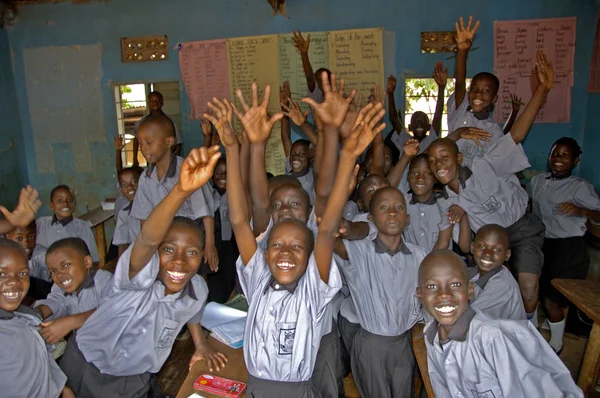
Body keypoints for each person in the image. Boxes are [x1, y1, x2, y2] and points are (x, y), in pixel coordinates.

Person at [59, 146, 227, 397]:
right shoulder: (134, 278)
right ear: (156, 252)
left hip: (137, 375)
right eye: (168, 249)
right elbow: (147, 239)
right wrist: (181, 191)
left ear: (202, 255)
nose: (180, 261)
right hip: (89, 368)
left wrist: (200, 343)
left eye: (192, 252)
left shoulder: (198, 289)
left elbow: (192, 312)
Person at [428, 50, 554, 325]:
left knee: (529, 291)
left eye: (445, 157)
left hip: (519, 226)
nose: (439, 163)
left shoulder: (486, 163)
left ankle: (529, 326)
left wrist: (542, 90)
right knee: (488, 297)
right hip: (486, 238)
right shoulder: (449, 199)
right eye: (433, 160)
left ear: (458, 158)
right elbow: (463, 244)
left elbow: (517, 134)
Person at [417, 250, 583, 398]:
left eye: (455, 284)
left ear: (470, 290)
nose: (444, 294)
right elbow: (443, 388)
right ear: (420, 294)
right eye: (432, 286)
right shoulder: (431, 336)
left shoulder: (492, 338)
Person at [334, 185, 427, 398]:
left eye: (399, 207)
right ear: (371, 219)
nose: (392, 212)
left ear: (407, 219)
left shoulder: (419, 256)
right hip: (371, 345)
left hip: (405, 343)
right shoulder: (359, 251)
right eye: (384, 207)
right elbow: (329, 236)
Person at [529, 137, 600, 352]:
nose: (558, 158)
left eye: (565, 155)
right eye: (555, 153)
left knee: (553, 300)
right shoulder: (538, 181)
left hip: (569, 248)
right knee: (535, 292)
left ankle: (557, 344)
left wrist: (582, 211)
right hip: (543, 244)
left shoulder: (580, 187)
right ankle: (535, 331)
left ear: (576, 160)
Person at [130, 114, 219, 273]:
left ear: (169, 142)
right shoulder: (146, 178)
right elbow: (144, 218)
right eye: (141, 143)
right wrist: (148, 248)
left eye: (149, 142)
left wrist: (210, 244)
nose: (144, 149)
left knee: (195, 275)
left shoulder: (187, 170)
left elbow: (205, 211)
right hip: (164, 238)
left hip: (191, 235)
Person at [0, 238, 73, 398]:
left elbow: (41, 359)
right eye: (1, 273)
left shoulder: (24, 318)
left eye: (22, 273)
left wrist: (62, 388)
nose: (14, 281)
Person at [34, 238, 113, 346]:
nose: (59, 275)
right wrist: (38, 312)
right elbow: (57, 301)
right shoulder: (60, 287)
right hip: (85, 345)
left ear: (87, 262)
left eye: (66, 265)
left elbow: (112, 309)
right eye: (53, 271)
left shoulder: (103, 280)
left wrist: (70, 322)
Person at [469, 224, 526, 320]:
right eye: (482, 246)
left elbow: (469, 321)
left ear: (507, 255)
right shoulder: (473, 273)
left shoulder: (502, 285)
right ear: (472, 248)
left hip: (503, 333)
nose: (488, 253)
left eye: (497, 249)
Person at [386, 62, 446, 154]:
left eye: (422, 122)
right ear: (409, 127)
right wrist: (390, 94)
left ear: (429, 127)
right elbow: (394, 119)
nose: (419, 124)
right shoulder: (405, 140)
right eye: (416, 122)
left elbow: (437, 117)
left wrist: (441, 88)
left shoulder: (431, 140)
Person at [36, 185, 100, 263]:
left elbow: (93, 259)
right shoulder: (41, 224)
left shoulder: (82, 227)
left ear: (75, 204)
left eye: (70, 200)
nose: (65, 204)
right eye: (59, 201)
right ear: (52, 206)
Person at [132, 91, 183, 165]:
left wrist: (176, 161)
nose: (155, 103)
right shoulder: (142, 122)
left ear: (162, 102)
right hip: (150, 160)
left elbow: (178, 143)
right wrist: (135, 159)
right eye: (152, 101)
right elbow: (136, 140)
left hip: (167, 161)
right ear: (148, 103)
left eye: (157, 100)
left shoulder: (169, 121)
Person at [112, 166, 143, 258]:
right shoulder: (124, 213)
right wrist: (122, 269)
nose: (130, 187)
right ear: (121, 190)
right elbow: (122, 243)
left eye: (134, 182)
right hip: (137, 257)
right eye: (124, 185)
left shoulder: (156, 208)